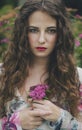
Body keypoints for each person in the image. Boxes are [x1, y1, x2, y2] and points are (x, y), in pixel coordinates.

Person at [0, 0, 82, 129]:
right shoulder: (3, 75)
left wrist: (62, 118)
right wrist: (14, 123)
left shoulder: (78, 78)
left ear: (61, 33)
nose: (41, 39)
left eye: (51, 30)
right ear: (23, 32)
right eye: (33, 30)